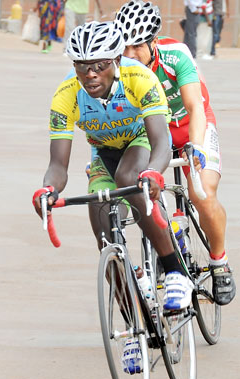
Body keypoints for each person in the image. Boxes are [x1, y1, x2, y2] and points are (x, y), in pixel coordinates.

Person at [33, 21, 196, 323]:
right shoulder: (66, 95)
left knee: (129, 178)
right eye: (82, 66)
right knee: (103, 227)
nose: (90, 73)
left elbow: (162, 140)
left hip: (141, 141)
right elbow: (58, 165)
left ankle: (175, 272)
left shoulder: (140, 78)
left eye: (100, 65)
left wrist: (154, 174)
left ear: (117, 61)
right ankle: (133, 322)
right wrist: (48, 190)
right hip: (104, 153)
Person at [114, 0, 235, 306]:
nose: (129, 55)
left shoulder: (175, 54)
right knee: (140, 188)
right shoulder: (119, 67)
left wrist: (194, 146)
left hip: (192, 126)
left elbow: (195, 106)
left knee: (202, 195)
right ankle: (166, 244)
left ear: (154, 41)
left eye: (136, 47)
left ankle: (219, 261)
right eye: (124, 48)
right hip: (156, 135)